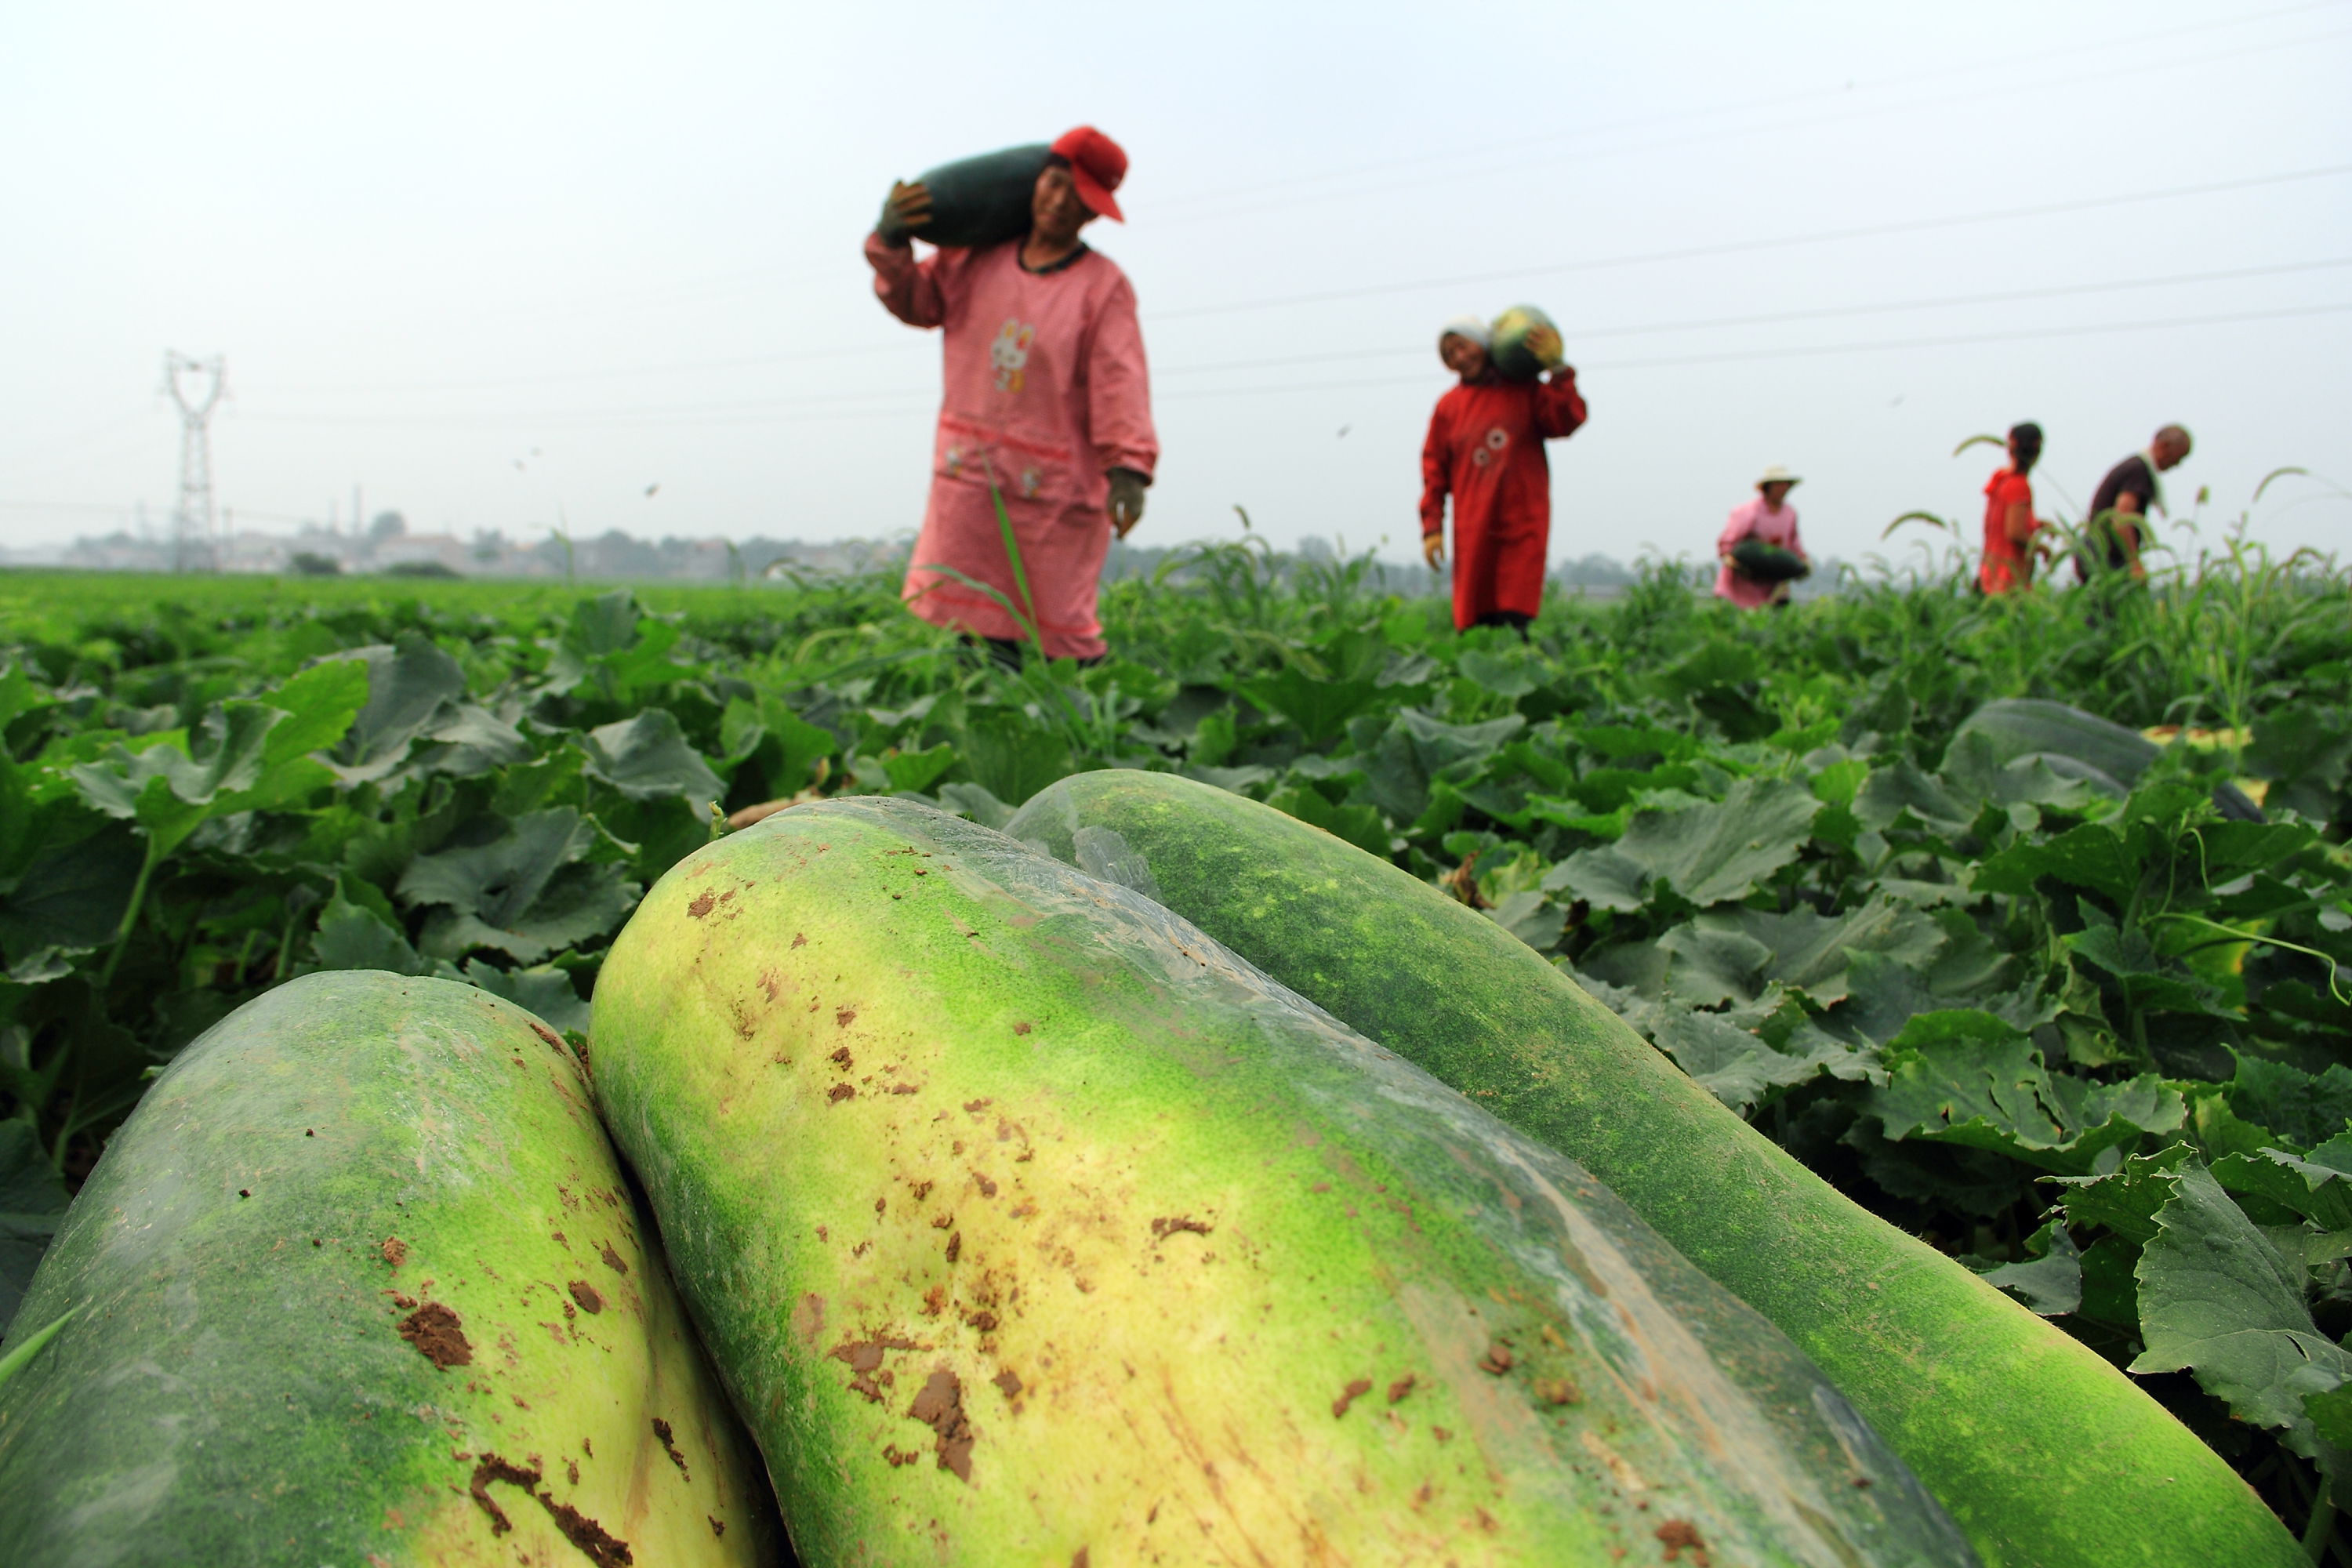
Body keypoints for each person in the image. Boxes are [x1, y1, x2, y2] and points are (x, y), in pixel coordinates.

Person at [866, 126, 1156, 664]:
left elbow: (1121, 380)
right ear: (1034, 182)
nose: (1059, 203)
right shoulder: (976, 260)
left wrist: (1129, 468)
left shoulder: (1102, 286)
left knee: (1058, 636)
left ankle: (1076, 736)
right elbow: (916, 301)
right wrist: (890, 240)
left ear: (1094, 214)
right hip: (973, 477)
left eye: (1078, 198)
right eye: (1053, 185)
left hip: (1056, 490)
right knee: (975, 629)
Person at [1419, 316, 1588, 636]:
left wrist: (1559, 370)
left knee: (1515, 618)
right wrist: (1432, 527)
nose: (1459, 357)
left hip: (1521, 522)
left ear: (1484, 345)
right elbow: (1434, 469)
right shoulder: (1449, 407)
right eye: (1448, 353)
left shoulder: (1525, 390)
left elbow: (1567, 420)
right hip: (1473, 527)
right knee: (1473, 623)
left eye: (1462, 346)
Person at [2078, 423, 2191, 582]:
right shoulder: (2139, 471)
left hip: (2094, 554)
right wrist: (2135, 563)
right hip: (2106, 560)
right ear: (2164, 446)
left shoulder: (2135, 466)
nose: (2177, 465)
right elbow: (2122, 519)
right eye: (2179, 458)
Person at [1715, 466, 1807, 608]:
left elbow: (1793, 544)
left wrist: (1803, 564)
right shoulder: (1748, 512)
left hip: (1770, 583)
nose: (1783, 488)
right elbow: (1728, 543)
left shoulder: (1790, 514)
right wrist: (1733, 561)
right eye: (1778, 484)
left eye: (1785, 484)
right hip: (1741, 584)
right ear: (1767, 487)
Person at [1980, 422, 2045, 595]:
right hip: (2009, 579)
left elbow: (1999, 522)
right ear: (2038, 450)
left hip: (1991, 573)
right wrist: (2044, 549)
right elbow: (2015, 532)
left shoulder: (2001, 480)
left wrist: (2037, 524)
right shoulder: (2019, 485)